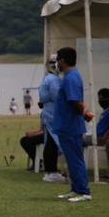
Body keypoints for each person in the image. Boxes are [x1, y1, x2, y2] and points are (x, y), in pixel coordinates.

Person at [53, 47, 92, 202]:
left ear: (62, 60)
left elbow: (75, 101)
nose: (56, 63)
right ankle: (75, 189)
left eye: (57, 60)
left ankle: (84, 191)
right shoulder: (70, 76)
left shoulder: (71, 78)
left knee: (75, 159)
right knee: (71, 159)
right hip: (66, 126)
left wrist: (83, 113)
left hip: (71, 126)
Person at [39, 54, 64, 183]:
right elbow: (57, 97)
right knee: (52, 143)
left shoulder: (48, 78)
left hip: (49, 113)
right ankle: (51, 171)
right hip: (52, 114)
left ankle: (50, 171)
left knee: (50, 142)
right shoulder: (53, 79)